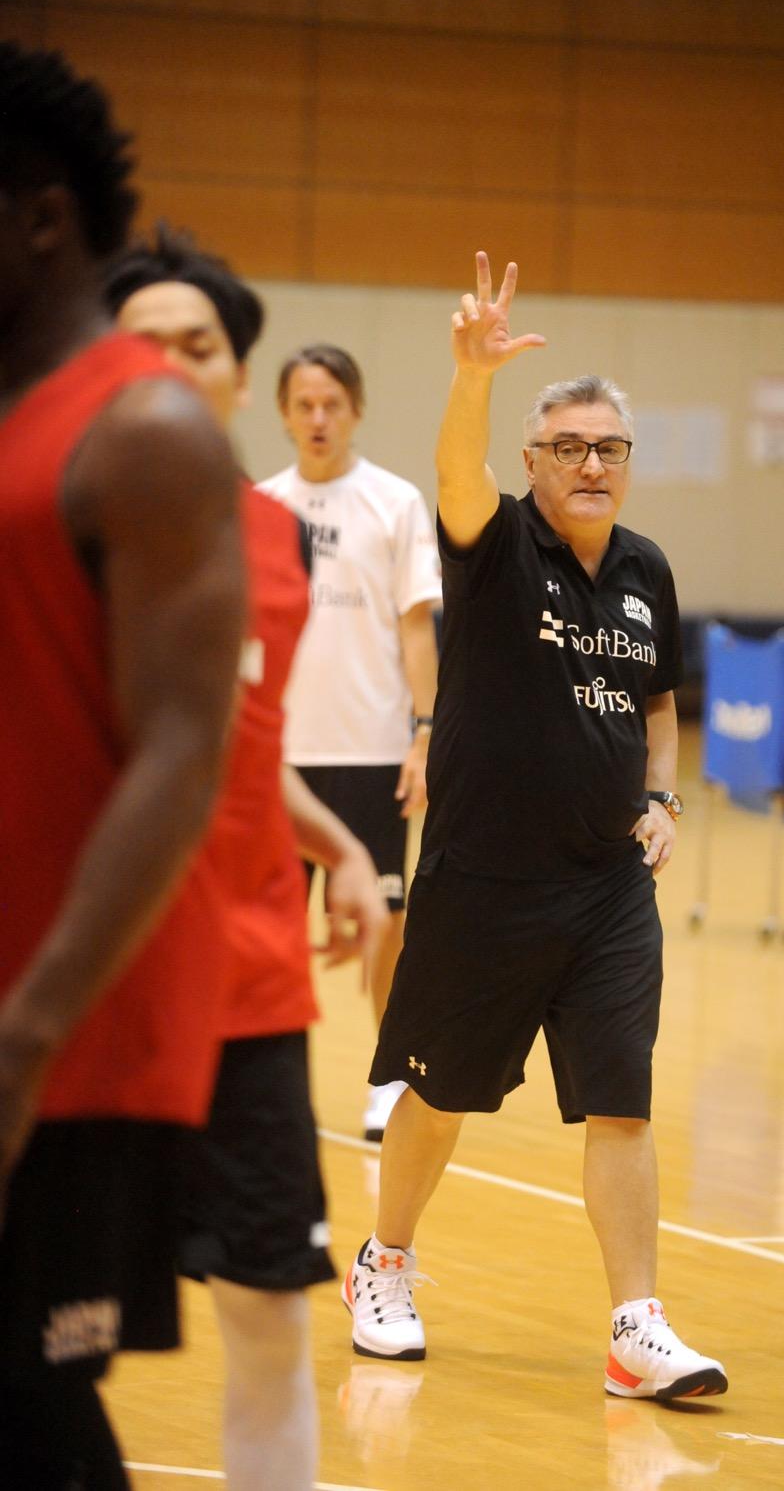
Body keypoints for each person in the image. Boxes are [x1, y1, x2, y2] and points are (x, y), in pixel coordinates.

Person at [341, 252, 728, 1405]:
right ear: (532, 462)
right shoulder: (497, 544)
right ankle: (383, 1261)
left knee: (621, 1101)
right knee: (442, 1094)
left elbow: (656, 704)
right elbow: (452, 471)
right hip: (484, 881)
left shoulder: (647, 570)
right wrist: (474, 374)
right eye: (567, 447)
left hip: (606, 886)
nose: (591, 464)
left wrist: (661, 798)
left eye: (608, 447)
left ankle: (634, 1327)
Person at [104, 225, 388, 1491]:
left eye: (198, 344)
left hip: (247, 981)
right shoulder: (42, 513)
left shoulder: (273, 537)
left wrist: (339, 844)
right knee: (55, 1339)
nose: (171, 364)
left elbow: (233, 742)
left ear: (235, 374)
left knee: (270, 1315)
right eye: (142, 344)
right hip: (86, 985)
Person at [0, 44, 246, 1489]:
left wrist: (25, 1036)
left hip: (66, 1045)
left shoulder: (142, 426)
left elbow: (180, 754)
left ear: (40, 216)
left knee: (31, 1412)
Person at [260, 344, 442, 1140]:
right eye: (304, 404)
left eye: (331, 403)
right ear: (283, 413)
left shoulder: (395, 502)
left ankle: (388, 1078)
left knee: (385, 923)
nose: (318, 418)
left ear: (356, 409)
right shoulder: (261, 507)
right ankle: (269, 1089)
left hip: (371, 749)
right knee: (268, 928)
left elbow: (416, 628)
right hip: (279, 756)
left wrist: (426, 733)